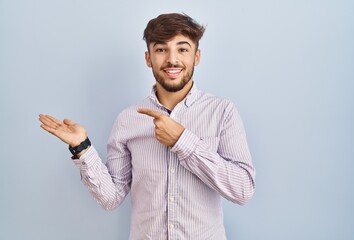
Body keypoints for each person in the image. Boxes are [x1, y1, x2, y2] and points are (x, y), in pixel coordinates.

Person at [39, 13, 256, 240]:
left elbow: (242, 190)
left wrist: (183, 141)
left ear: (197, 56)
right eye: (161, 49)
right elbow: (111, 198)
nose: (172, 60)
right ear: (148, 58)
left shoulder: (222, 112)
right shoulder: (128, 119)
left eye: (182, 49)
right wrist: (81, 147)